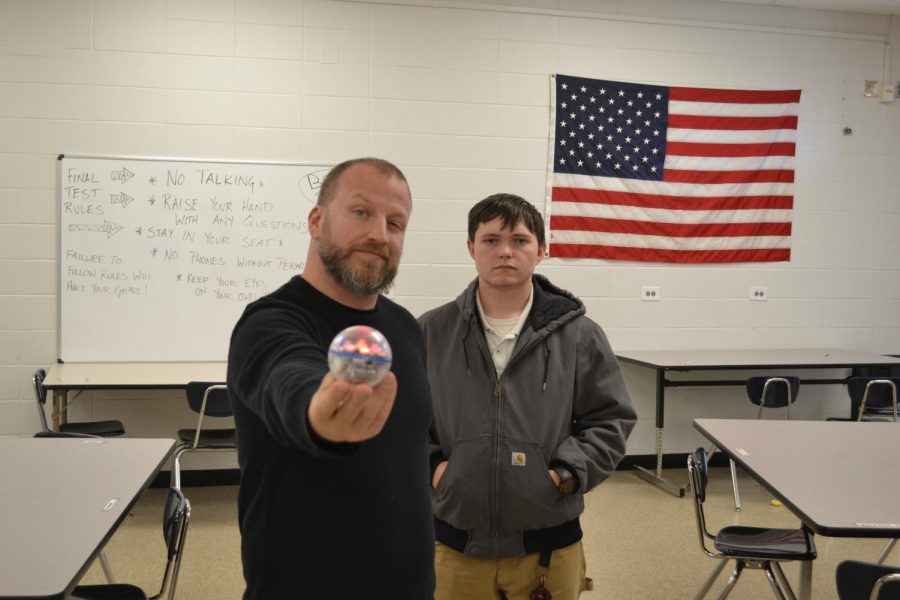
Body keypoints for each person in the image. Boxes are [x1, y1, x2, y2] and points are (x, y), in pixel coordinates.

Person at [228, 158, 435, 599]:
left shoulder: (404, 327)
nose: (380, 234)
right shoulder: (268, 324)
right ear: (316, 221)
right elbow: (289, 376)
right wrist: (321, 416)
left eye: (395, 223)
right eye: (361, 212)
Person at [418, 193, 637, 600]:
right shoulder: (431, 331)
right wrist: (435, 467)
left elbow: (611, 421)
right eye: (491, 240)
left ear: (541, 250)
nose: (505, 251)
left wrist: (565, 475)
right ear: (471, 248)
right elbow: (403, 422)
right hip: (453, 542)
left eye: (519, 240)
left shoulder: (580, 335)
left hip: (548, 546)